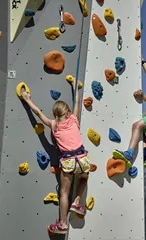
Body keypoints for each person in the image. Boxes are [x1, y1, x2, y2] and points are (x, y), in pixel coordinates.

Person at [21, 78, 91, 235]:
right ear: (67, 112)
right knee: (84, 178)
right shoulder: (74, 120)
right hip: (82, 158)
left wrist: (27, 100)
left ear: (55, 113)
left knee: (64, 193)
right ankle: (77, 202)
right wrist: (75, 87)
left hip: (67, 161)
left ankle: (63, 224)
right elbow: (77, 102)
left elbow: (38, 113)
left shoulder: (54, 125)